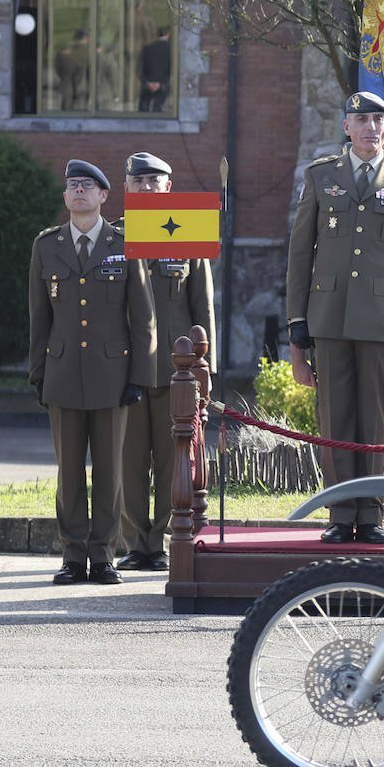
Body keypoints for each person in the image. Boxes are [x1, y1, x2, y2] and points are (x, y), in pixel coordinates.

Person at [285, 91, 384, 545]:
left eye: (378, 119)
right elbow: (300, 253)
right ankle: (340, 511)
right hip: (328, 316)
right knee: (334, 417)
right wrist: (297, 321)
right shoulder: (321, 176)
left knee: (375, 418)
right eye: (361, 119)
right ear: (347, 127)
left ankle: (371, 515)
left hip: (381, 319)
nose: (370, 127)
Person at [29, 159, 156, 585]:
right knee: (68, 473)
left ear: (104, 196)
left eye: (88, 186)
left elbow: (143, 316)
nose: (78, 191)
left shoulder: (126, 241)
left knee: (110, 471)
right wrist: (38, 373)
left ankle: (102, 555)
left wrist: (140, 375)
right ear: (65, 197)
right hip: (63, 373)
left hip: (112, 374)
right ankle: (72, 555)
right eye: (72, 185)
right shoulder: (47, 246)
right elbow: (39, 318)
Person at [116, 153, 216, 572]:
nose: (147, 189)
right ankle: (136, 543)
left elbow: (202, 309)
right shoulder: (112, 235)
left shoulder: (186, 230)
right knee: (129, 458)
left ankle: (162, 541)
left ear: (168, 189)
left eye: (155, 182)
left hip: (177, 372)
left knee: (173, 457)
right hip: (126, 367)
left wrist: (205, 368)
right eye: (139, 182)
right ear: (126, 188)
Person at [138, 26, 172, 112]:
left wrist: (147, 83)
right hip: (164, 89)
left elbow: (140, 69)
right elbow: (172, 70)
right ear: (168, 34)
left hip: (147, 88)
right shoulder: (171, 49)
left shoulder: (148, 48)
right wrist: (160, 83)